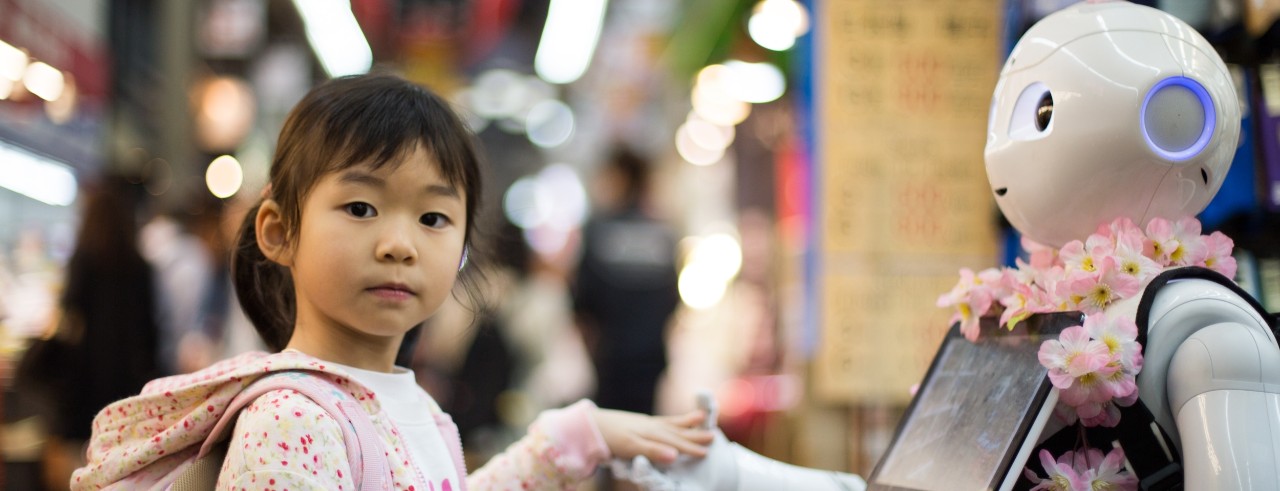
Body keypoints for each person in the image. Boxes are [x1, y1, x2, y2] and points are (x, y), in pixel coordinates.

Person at [71, 73, 711, 490]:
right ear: (277, 231)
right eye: (360, 208)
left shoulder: (404, 405)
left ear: (462, 248)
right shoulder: (291, 421)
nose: (399, 244)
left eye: (434, 217)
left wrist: (581, 436)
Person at [44, 175, 160, 489]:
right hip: (127, 381)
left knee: (81, 459)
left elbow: (69, 318)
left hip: (85, 377)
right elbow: (150, 330)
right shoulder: (140, 266)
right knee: (119, 464)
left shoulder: (84, 260)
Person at [574, 146, 680, 415]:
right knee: (646, 435)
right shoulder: (663, 233)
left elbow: (582, 299)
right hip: (651, 357)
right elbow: (673, 301)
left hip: (612, 358)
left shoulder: (599, 230)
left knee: (611, 440)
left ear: (620, 177)